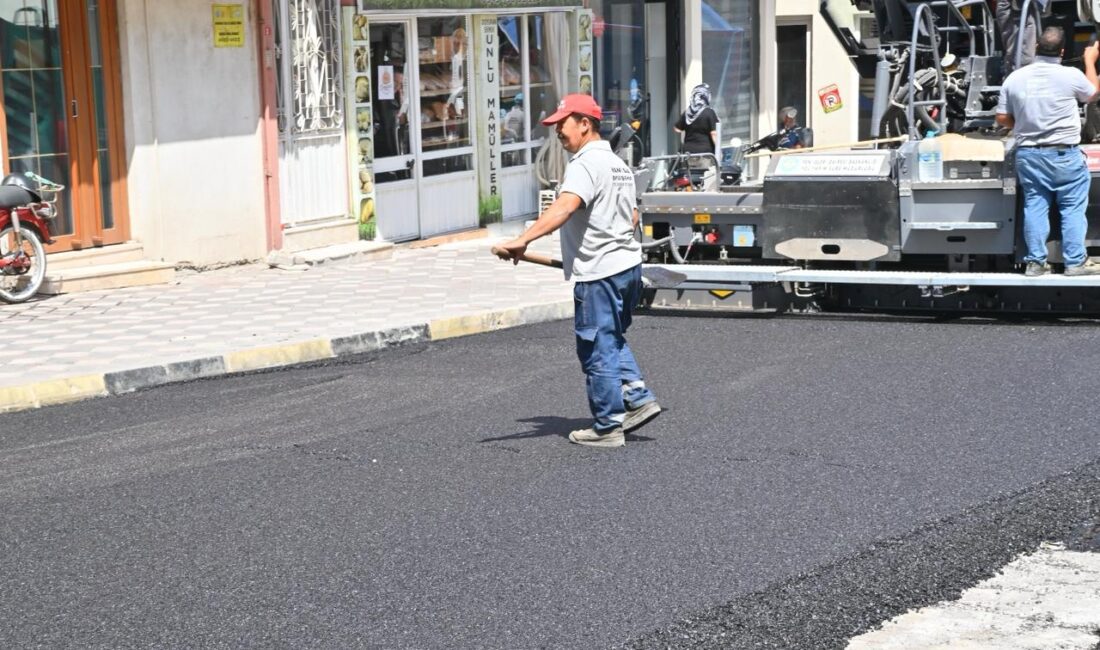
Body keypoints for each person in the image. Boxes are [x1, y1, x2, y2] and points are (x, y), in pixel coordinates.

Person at [493, 93, 661, 448]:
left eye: (562, 125)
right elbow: (632, 216)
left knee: (596, 345)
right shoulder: (617, 164)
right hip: (627, 266)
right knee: (611, 336)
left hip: (599, 272)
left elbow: (564, 207)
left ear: (585, 123)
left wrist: (523, 240)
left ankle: (607, 426)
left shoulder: (584, 164)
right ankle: (638, 397)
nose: (557, 132)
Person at [996, 27, 1100, 276]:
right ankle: (1075, 262)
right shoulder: (1071, 75)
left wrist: (1022, 124)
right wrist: (1089, 60)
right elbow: (1093, 93)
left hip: (1029, 155)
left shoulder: (1015, 78)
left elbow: (1001, 117)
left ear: (1035, 49)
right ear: (1062, 52)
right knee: (1072, 207)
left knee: (1035, 205)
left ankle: (1035, 263)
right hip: (1064, 155)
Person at [674, 83, 719, 156]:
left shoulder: (687, 113)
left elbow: (677, 129)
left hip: (688, 153)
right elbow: (714, 134)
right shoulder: (709, 112)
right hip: (706, 153)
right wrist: (719, 150)